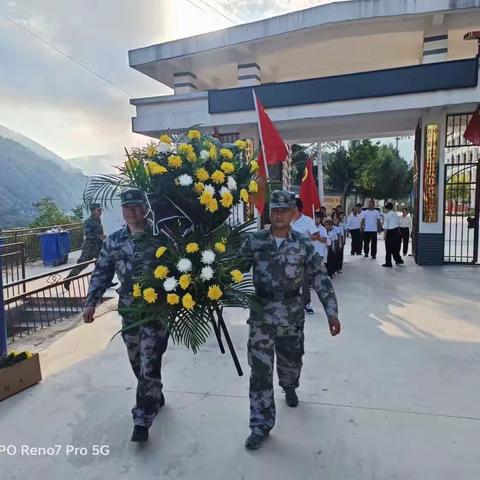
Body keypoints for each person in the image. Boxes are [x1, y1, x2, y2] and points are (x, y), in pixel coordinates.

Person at [240, 191, 341, 450]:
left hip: (291, 316)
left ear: (293, 213)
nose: (279, 215)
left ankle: (290, 385)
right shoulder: (255, 242)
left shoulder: (303, 244)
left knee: (291, 362)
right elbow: (233, 267)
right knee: (260, 374)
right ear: (269, 211)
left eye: (284, 210)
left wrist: (331, 311)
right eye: (274, 210)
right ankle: (260, 424)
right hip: (261, 316)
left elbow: (320, 277)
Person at [83, 189, 168, 443]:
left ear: (146, 207)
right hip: (129, 313)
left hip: (156, 314)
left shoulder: (161, 237)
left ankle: (142, 419)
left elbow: (179, 270)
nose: (131, 211)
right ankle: (155, 394)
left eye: (136, 206)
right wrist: (91, 303)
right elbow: (102, 272)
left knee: (149, 364)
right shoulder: (115, 241)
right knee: (136, 362)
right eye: (126, 207)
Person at [64, 203, 112, 291]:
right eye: (98, 210)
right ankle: (68, 279)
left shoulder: (98, 219)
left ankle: (106, 282)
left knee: (103, 264)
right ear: (93, 211)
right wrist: (98, 236)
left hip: (98, 247)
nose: (100, 211)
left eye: (100, 210)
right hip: (89, 248)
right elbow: (87, 234)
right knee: (82, 265)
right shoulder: (88, 221)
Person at [291, 198, 323, 315]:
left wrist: (303, 238)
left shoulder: (307, 221)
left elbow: (317, 235)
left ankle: (306, 303)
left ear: (296, 208)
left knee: (304, 281)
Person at [382, 202, 404, 267]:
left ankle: (388, 263)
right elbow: (398, 224)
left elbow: (386, 226)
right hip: (396, 231)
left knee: (388, 248)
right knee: (395, 248)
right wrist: (399, 232)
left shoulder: (387, 215)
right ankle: (398, 260)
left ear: (386, 208)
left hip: (390, 232)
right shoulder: (395, 214)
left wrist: (384, 235)